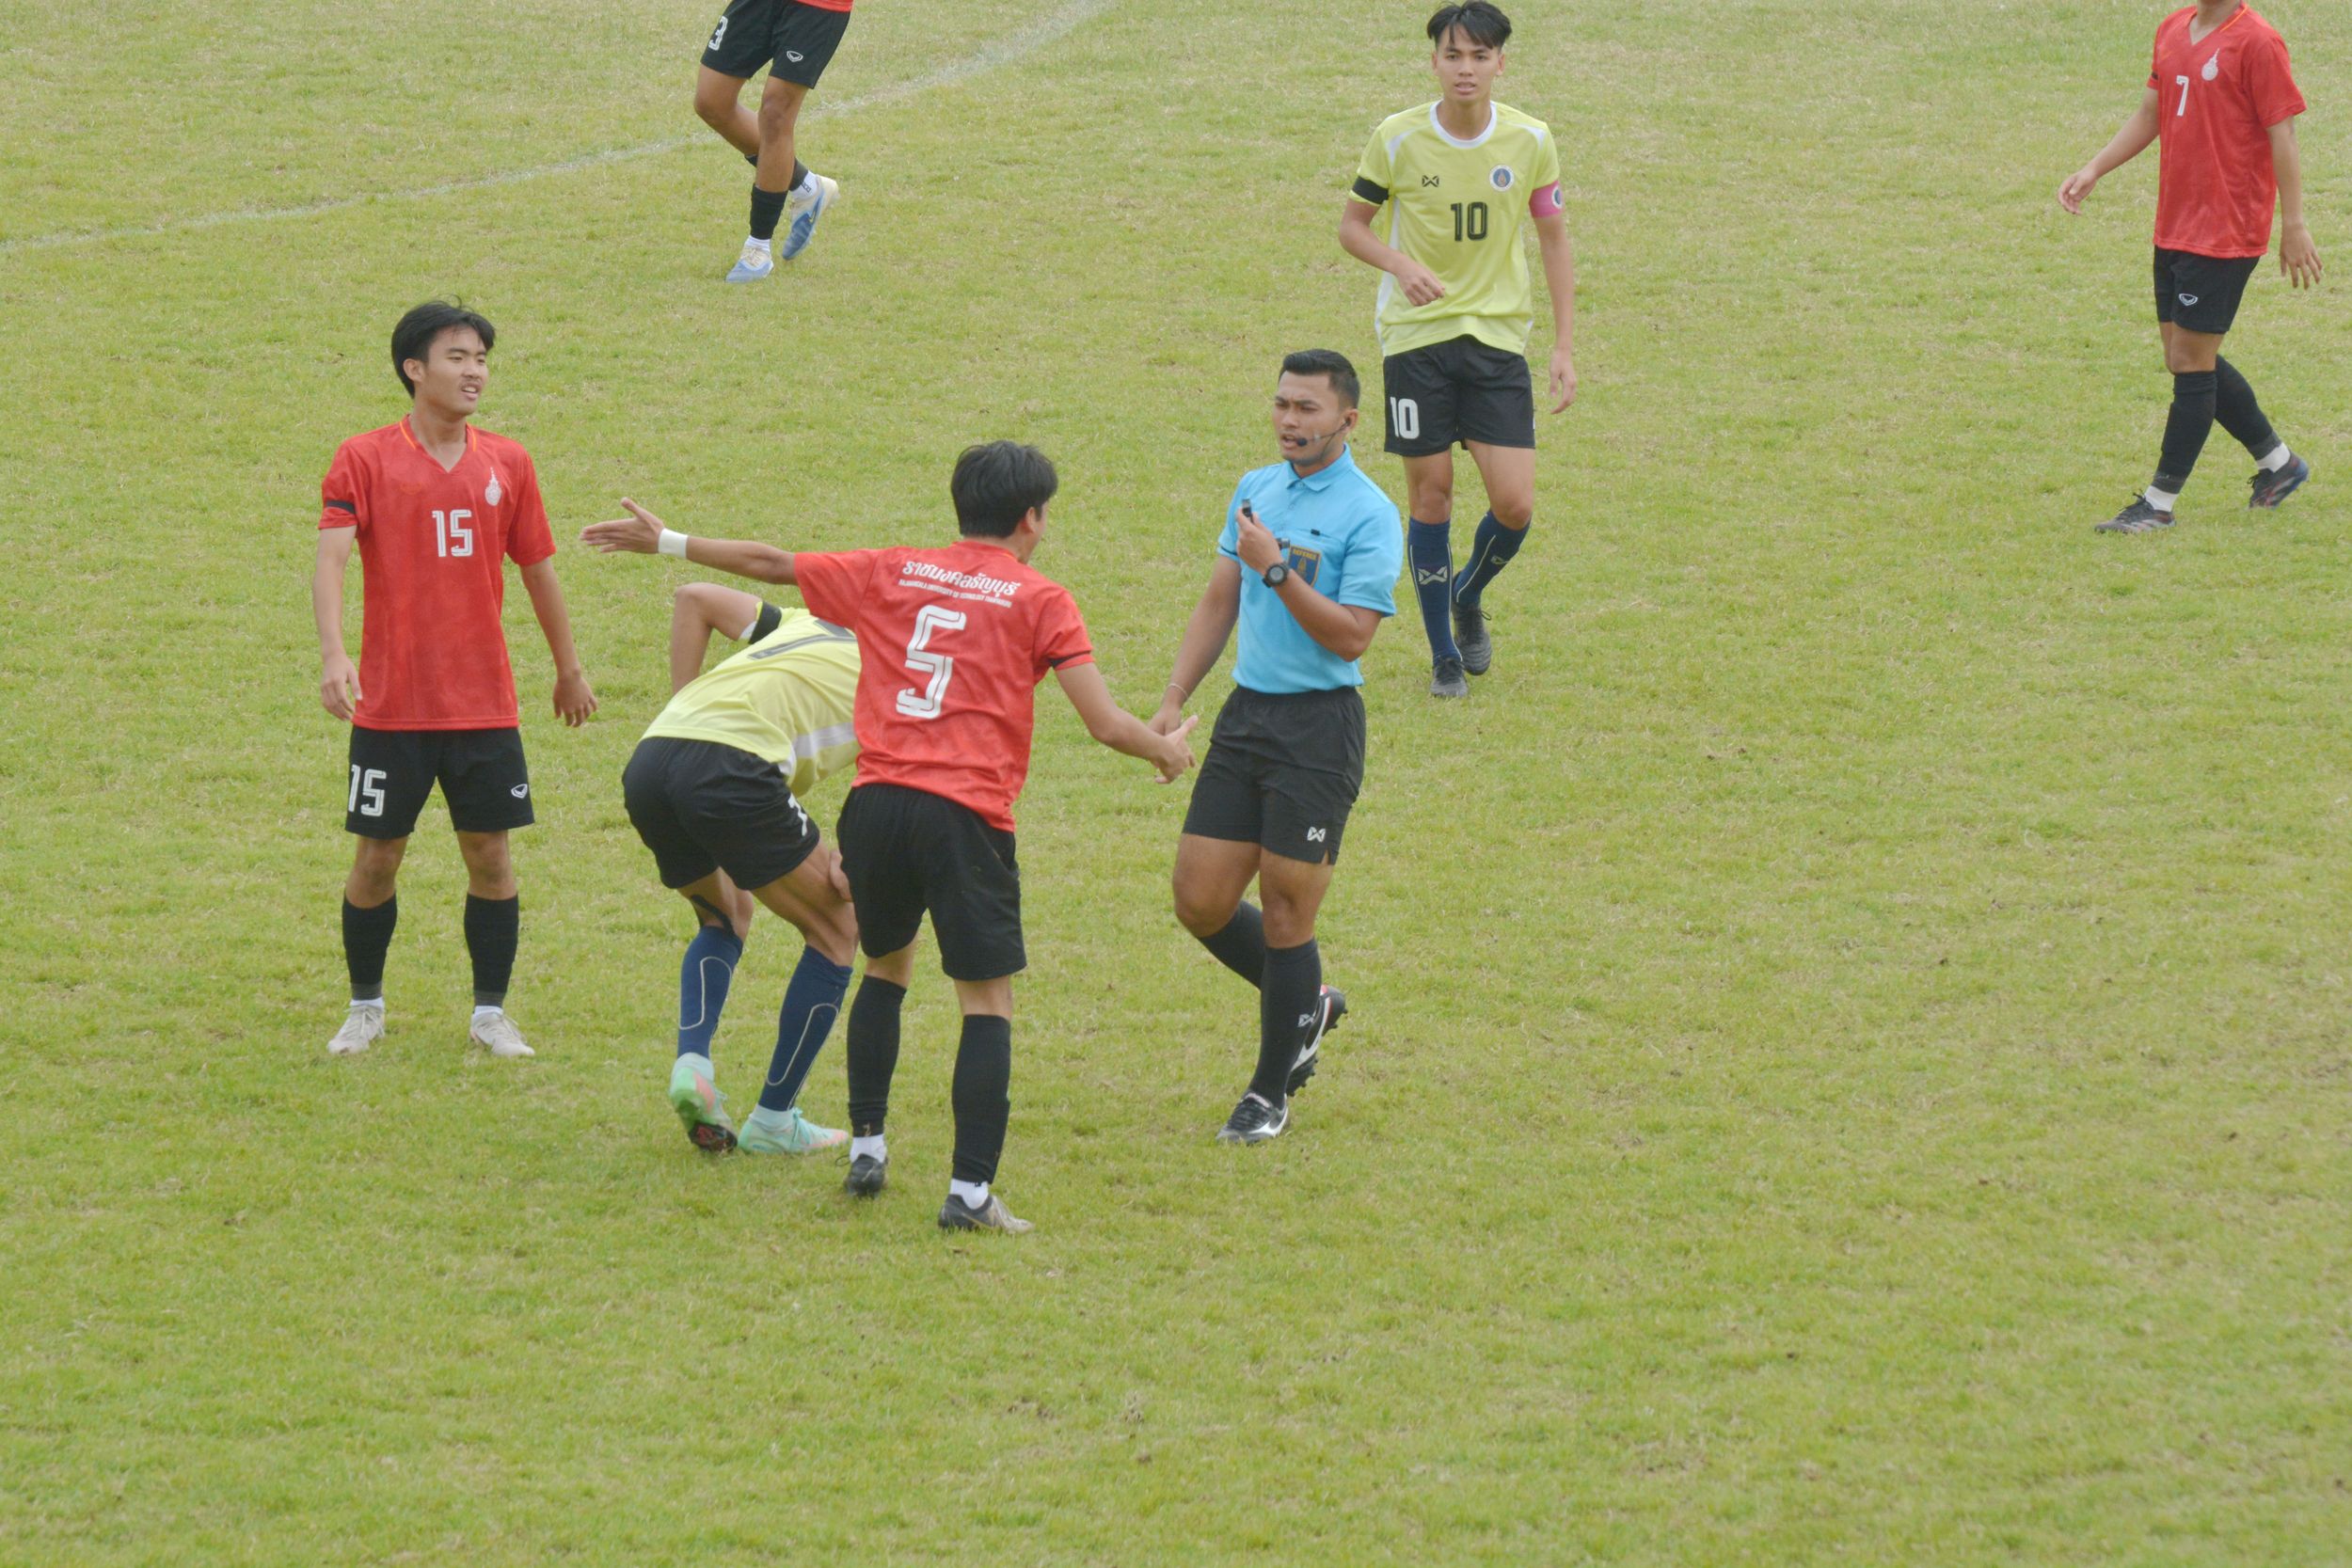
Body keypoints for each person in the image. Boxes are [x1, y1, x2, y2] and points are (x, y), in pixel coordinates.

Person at [582, 442, 1198, 1233]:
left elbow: (771, 563)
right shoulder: (1043, 599)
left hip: (874, 806)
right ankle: (969, 1194)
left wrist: (670, 540)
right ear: (1032, 518)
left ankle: (867, 1148)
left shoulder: (893, 570)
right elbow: (1104, 722)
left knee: (882, 966)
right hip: (964, 811)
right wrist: (1165, 751)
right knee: (986, 1001)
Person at [314, 301, 597, 1060]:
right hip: (391, 707)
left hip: (483, 707)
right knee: (377, 857)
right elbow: (332, 561)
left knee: (491, 855)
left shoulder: (509, 462)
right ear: (415, 369)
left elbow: (538, 570)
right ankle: (365, 1006)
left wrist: (568, 668)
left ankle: (490, 1014)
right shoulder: (363, 458)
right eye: (458, 357)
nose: (475, 372)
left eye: (481, 359)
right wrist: (334, 654)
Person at [1149, 351, 1403, 1144]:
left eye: (1307, 408)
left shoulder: (1371, 514)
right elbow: (1217, 599)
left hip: (1319, 729)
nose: (1290, 421)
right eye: (1282, 404)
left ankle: (1268, 1093)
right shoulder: (1255, 488)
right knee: (1199, 899)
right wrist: (1174, 696)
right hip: (1247, 716)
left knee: (1290, 910)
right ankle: (1308, 1004)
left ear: (1348, 421)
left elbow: (1352, 638)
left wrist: (1278, 571)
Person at [1339, 1, 1575, 698]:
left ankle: (1467, 593)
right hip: (1416, 339)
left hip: (1497, 339)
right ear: (1434, 61)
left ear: (1501, 63)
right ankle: (1444, 655)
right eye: (1453, 55)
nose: (1465, 68)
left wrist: (1563, 345)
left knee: (1515, 505)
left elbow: (1554, 241)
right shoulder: (1397, 137)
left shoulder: (1531, 139)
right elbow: (1352, 227)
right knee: (1431, 494)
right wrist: (1398, 264)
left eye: (1479, 56)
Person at [603, 580, 877, 1154]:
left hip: (655, 757)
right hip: (733, 768)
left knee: (725, 914)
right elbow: (890, 783)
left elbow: (694, 597)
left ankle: (693, 1064)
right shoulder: (905, 681)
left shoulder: (809, 622)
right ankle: (774, 1122)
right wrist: (855, 857)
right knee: (838, 928)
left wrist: (684, 709)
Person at [2060, 1, 2318, 534]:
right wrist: (2095, 168)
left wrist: (2293, 224)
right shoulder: (2173, 28)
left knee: (2191, 362)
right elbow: (2149, 113)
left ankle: (2158, 503)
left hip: (2227, 228)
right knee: (2184, 358)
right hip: (2177, 221)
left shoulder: (2258, 42)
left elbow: (2284, 135)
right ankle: (2279, 464)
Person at [691, 0, 850, 282]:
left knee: (776, 114)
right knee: (711, 101)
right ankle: (806, 185)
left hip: (817, 7)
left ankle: (758, 249)